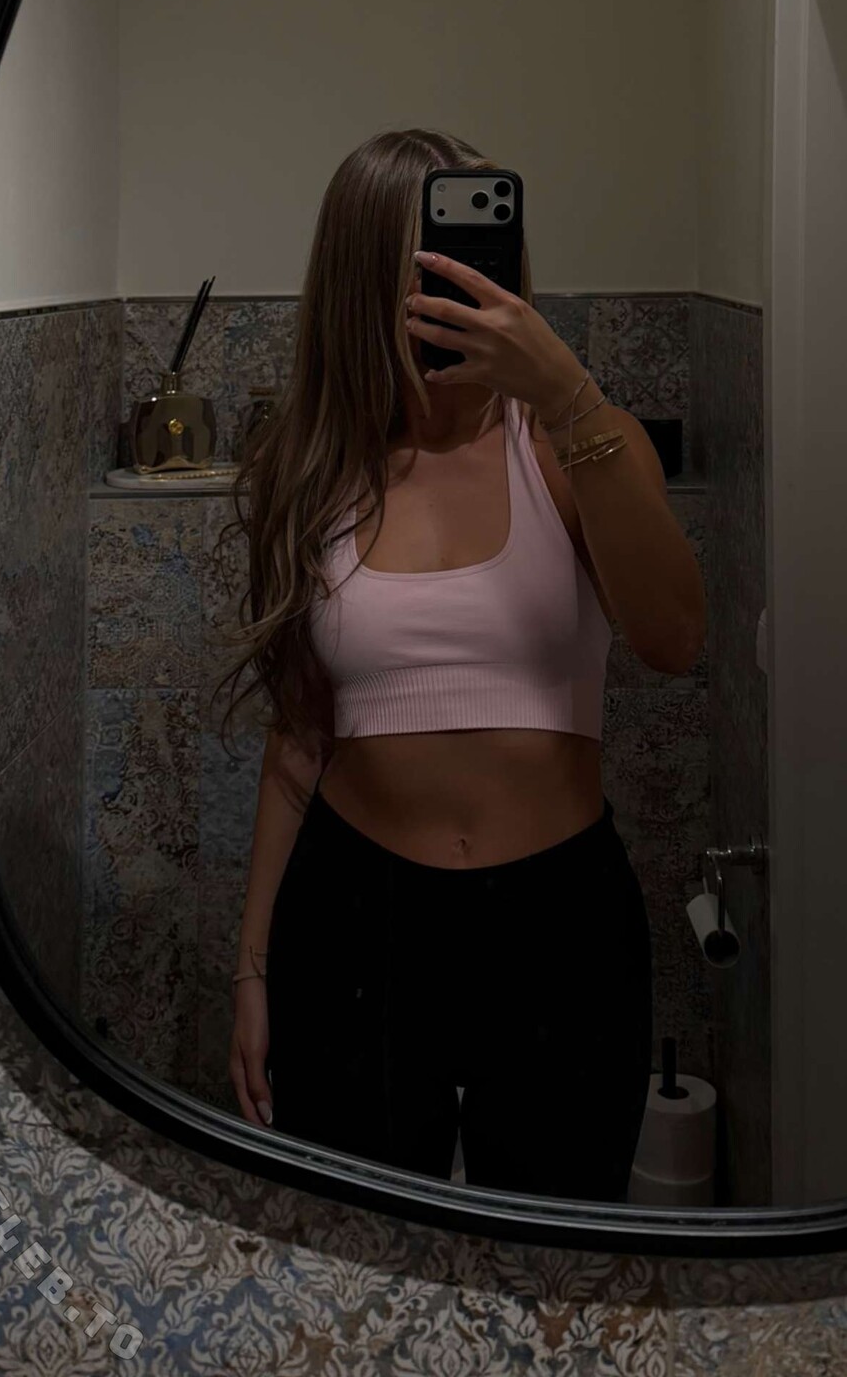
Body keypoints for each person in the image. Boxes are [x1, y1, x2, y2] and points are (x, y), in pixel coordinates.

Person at [224, 128, 705, 1202]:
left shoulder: (575, 448)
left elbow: (675, 641)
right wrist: (251, 965)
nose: (462, 286)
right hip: (353, 919)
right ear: (367, 286)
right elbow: (297, 740)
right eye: (430, 266)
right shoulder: (311, 472)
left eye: (481, 257)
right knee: (354, 1253)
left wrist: (572, 397)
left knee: (553, 1257)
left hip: (560, 925)